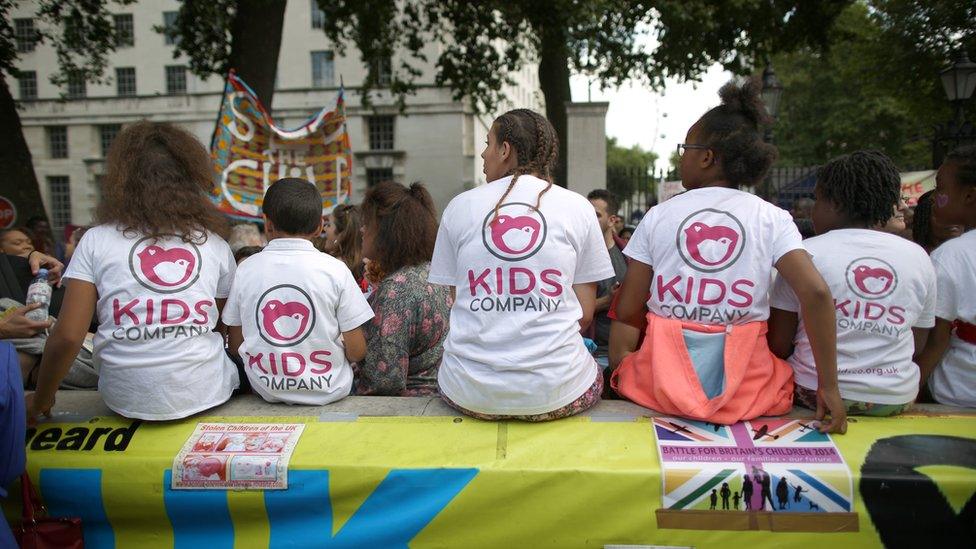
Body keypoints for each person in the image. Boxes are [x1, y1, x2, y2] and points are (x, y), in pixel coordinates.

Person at [610, 78, 846, 432]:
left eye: (684, 148)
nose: (681, 157)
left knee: (625, 366)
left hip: (663, 381)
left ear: (706, 157)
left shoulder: (660, 216)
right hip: (747, 388)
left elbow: (629, 309)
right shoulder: (771, 217)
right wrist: (829, 386)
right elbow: (815, 293)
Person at [25, 121, 240, 422]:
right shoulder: (214, 244)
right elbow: (215, 324)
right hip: (206, 392)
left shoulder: (95, 240)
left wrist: (40, 400)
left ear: (122, 180)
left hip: (123, 397)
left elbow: (69, 336)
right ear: (193, 179)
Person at [429, 109, 614, 420]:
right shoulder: (578, 207)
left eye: (488, 143)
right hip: (559, 392)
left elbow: (456, 301)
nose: (484, 154)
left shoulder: (459, 207)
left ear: (505, 150)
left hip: (468, 392)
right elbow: (583, 314)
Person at [768, 151, 936, 416]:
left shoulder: (804, 254)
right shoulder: (918, 256)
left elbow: (779, 342)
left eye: (817, 199)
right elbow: (918, 343)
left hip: (813, 393)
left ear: (833, 203)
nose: (813, 209)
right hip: (894, 397)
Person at [224, 178, 373, 405]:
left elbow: (235, 345)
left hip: (266, 394)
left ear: (267, 223)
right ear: (319, 226)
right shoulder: (335, 270)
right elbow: (356, 350)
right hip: (331, 394)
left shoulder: (246, 269)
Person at [355, 181, 452, 396]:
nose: (362, 229)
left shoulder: (396, 291)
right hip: (439, 396)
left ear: (385, 231)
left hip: (409, 411)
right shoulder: (430, 272)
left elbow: (384, 380)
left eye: (367, 223)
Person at [917, 145, 976, 407]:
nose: (935, 196)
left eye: (941, 189)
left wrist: (911, 392)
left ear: (969, 196)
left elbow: (935, 342)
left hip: (960, 390)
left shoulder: (951, 255)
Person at [587, 189, 628, 349]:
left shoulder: (630, 257)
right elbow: (566, 311)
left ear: (612, 220)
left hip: (621, 354)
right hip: (587, 351)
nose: (588, 218)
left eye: (596, 215)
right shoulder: (574, 256)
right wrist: (607, 301)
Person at [320, 203, 366, 285]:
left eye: (329, 225)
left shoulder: (332, 266)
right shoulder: (367, 266)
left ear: (342, 235)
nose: (324, 228)